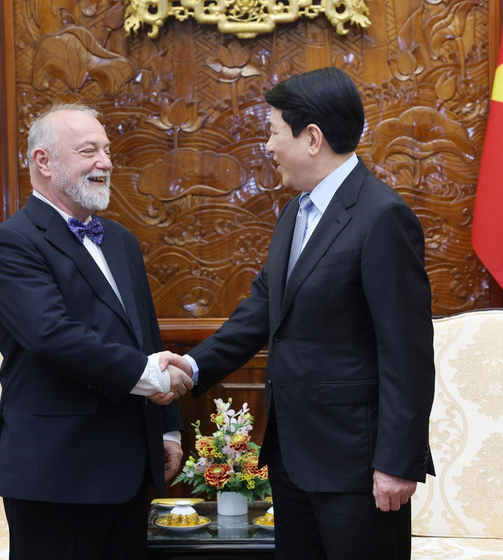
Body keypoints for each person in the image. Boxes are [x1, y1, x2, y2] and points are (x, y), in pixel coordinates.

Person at [167, 68, 435, 559]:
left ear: (311, 138)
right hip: (292, 458)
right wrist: (193, 366)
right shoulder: (295, 213)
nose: (267, 147)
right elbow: (260, 311)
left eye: (272, 132)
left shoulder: (382, 216)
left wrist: (398, 463)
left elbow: (407, 351)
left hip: (358, 465)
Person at [0, 103, 193, 560]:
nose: (106, 162)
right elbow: (50, 336)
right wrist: (150, 375)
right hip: (57, 476)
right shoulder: (11, 242)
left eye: (107, 150)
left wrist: (168, 431)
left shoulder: (120, 240)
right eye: (88, 151)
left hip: (129, 470)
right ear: (44, 162)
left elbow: (146, 337)